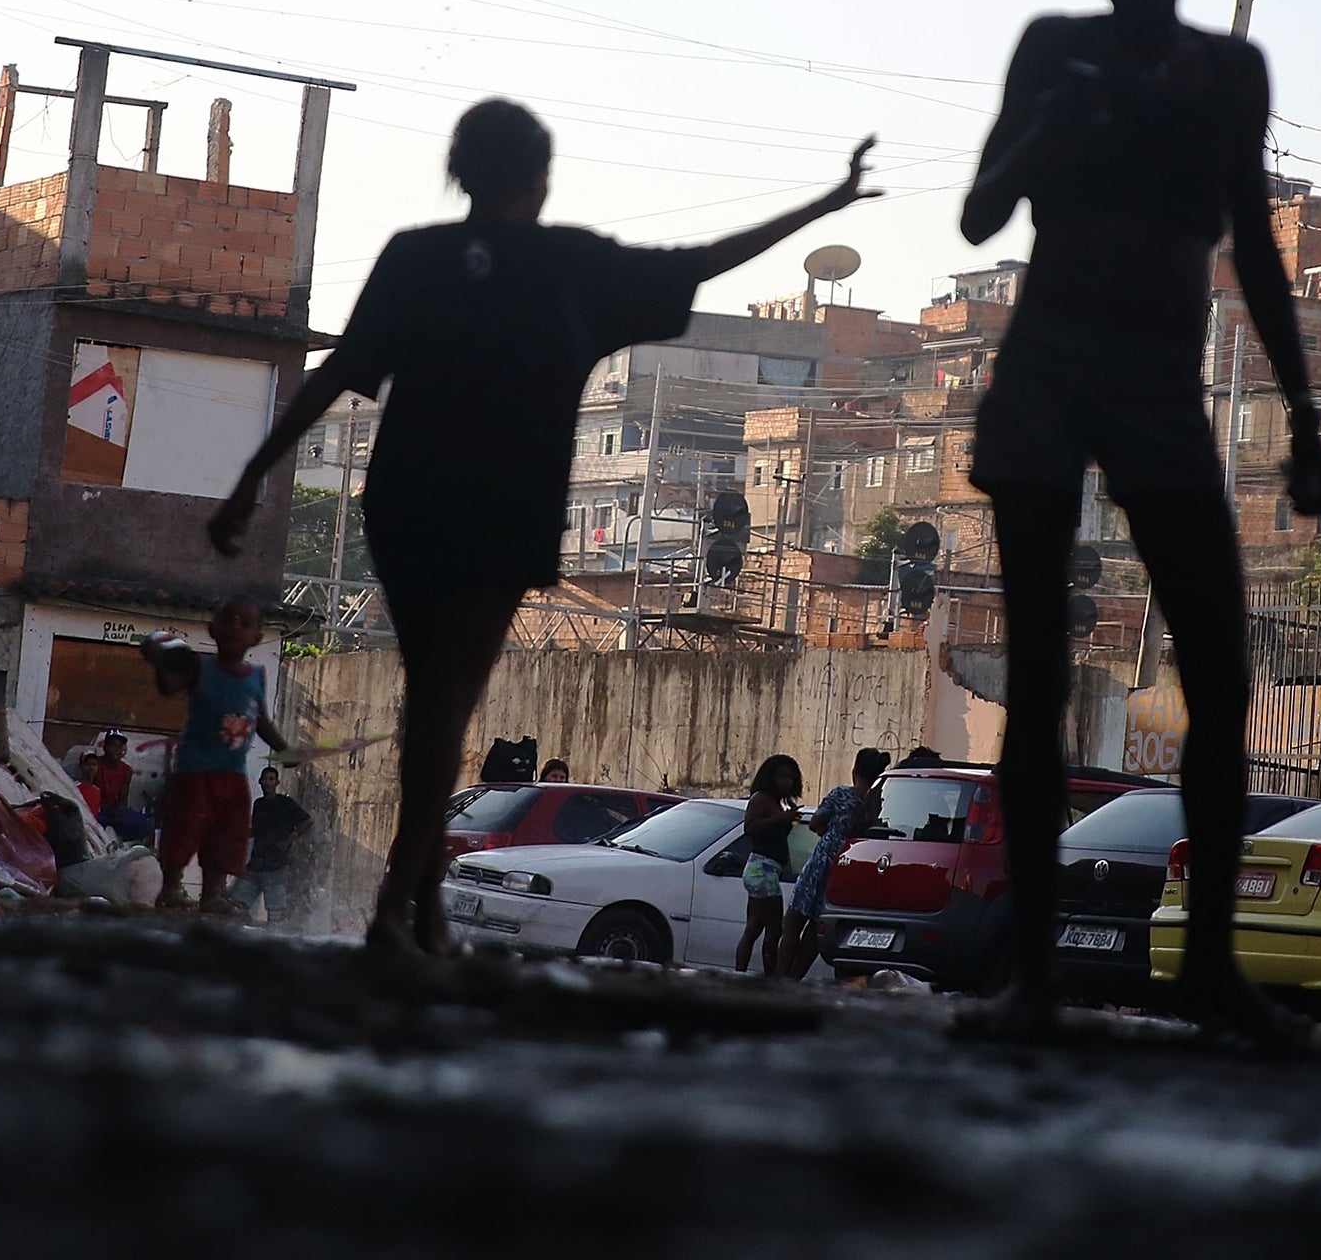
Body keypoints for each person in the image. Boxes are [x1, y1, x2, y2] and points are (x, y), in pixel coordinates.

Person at [208, 100, 880, 953]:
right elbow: (704, 261)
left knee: (432, 703)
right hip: (500, 508)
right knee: (445, 708)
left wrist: (249, 481)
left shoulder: (417, 257)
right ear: (542, 176)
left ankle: (421, 908)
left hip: (409, 498)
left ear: (459, 170)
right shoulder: (572, 265)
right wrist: (826, 203)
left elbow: (337, 371)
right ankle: (397, 910)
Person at [958, 0, 1321, 1039]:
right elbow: (977, 212)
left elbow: (1258, 258)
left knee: (1219, 674)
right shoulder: (1050, 48)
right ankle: (1031, 978)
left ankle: (1210, 966)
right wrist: (1046, 132)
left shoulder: (1226, 69)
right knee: (1032, 679)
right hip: (1047, 369)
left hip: (1159, 385)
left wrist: (1307, 420)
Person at [141, 597, 293, 914]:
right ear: (212, 629)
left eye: (245, 622)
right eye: (229, 619)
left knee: (225, 836)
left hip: (233, 774)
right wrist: (159, 661)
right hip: (195, 772)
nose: (235, 625)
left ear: (257, 638)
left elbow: (260, 719)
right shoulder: (199, 667)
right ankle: (170, 889)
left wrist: (285, 750)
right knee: (183, 830)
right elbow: (169, 689)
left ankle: (213, 894)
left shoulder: (257, 676)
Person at [780, 748, 890, 979]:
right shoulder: (877, 804)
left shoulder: (841, 794)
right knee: (816, 928)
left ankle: (780, 977)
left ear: (855, 770)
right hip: (850, 864)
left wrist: (827, 832)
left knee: (792, 922)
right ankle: (795, 978)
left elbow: (815, 823)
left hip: (823, 860)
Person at [735, 754, 803, 975]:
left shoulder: (779, 803)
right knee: (772, 929)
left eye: (790, 778)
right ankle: (766, 978)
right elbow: (750, 827)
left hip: (768, 870)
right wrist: (781, 819)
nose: (786, 782)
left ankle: (743, 973)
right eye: (781, 777)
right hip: (761, 869)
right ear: (770, 777)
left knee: (756, 927)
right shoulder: (761, 799)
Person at [230, 765, 315, 925]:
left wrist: (290, 839)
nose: (267, 783)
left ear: (277, 782)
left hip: (276, 865)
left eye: (271, 779)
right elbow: (256, 830)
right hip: (256, 864)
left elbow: (308, 821)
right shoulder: (259, 804)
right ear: (260, 782)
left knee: (275, 915)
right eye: (265, 779)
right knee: (237, 904)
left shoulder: (285, 803)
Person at [73, 753, 105, 819]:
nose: (91, 768)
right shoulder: (74, 787)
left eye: (94, 765)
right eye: (87, 764)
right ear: (81, 766)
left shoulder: (97, 791)